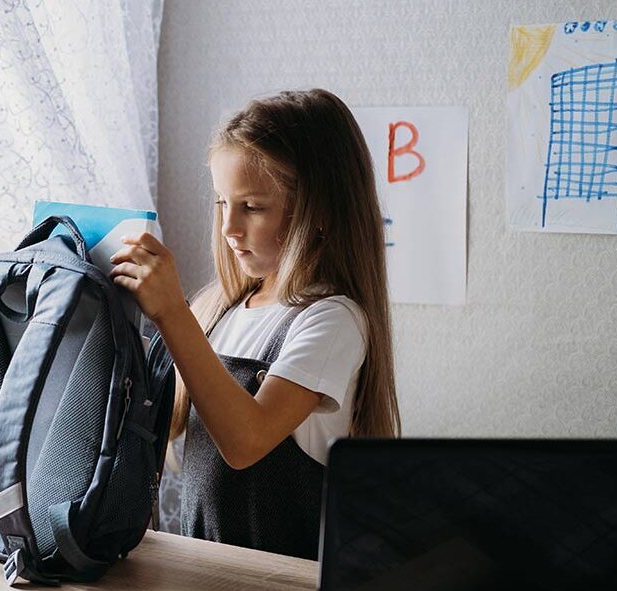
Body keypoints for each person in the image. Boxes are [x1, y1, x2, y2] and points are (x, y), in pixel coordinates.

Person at [110, 89, 400, 559]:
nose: (229, 227)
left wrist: (172, 315)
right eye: (222, 203)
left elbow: (245, 441)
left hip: (280, 590)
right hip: (209, 573)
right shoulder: (219, 310)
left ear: (318, 213)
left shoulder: (332, 321)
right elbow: (166, 428)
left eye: (253, 207)